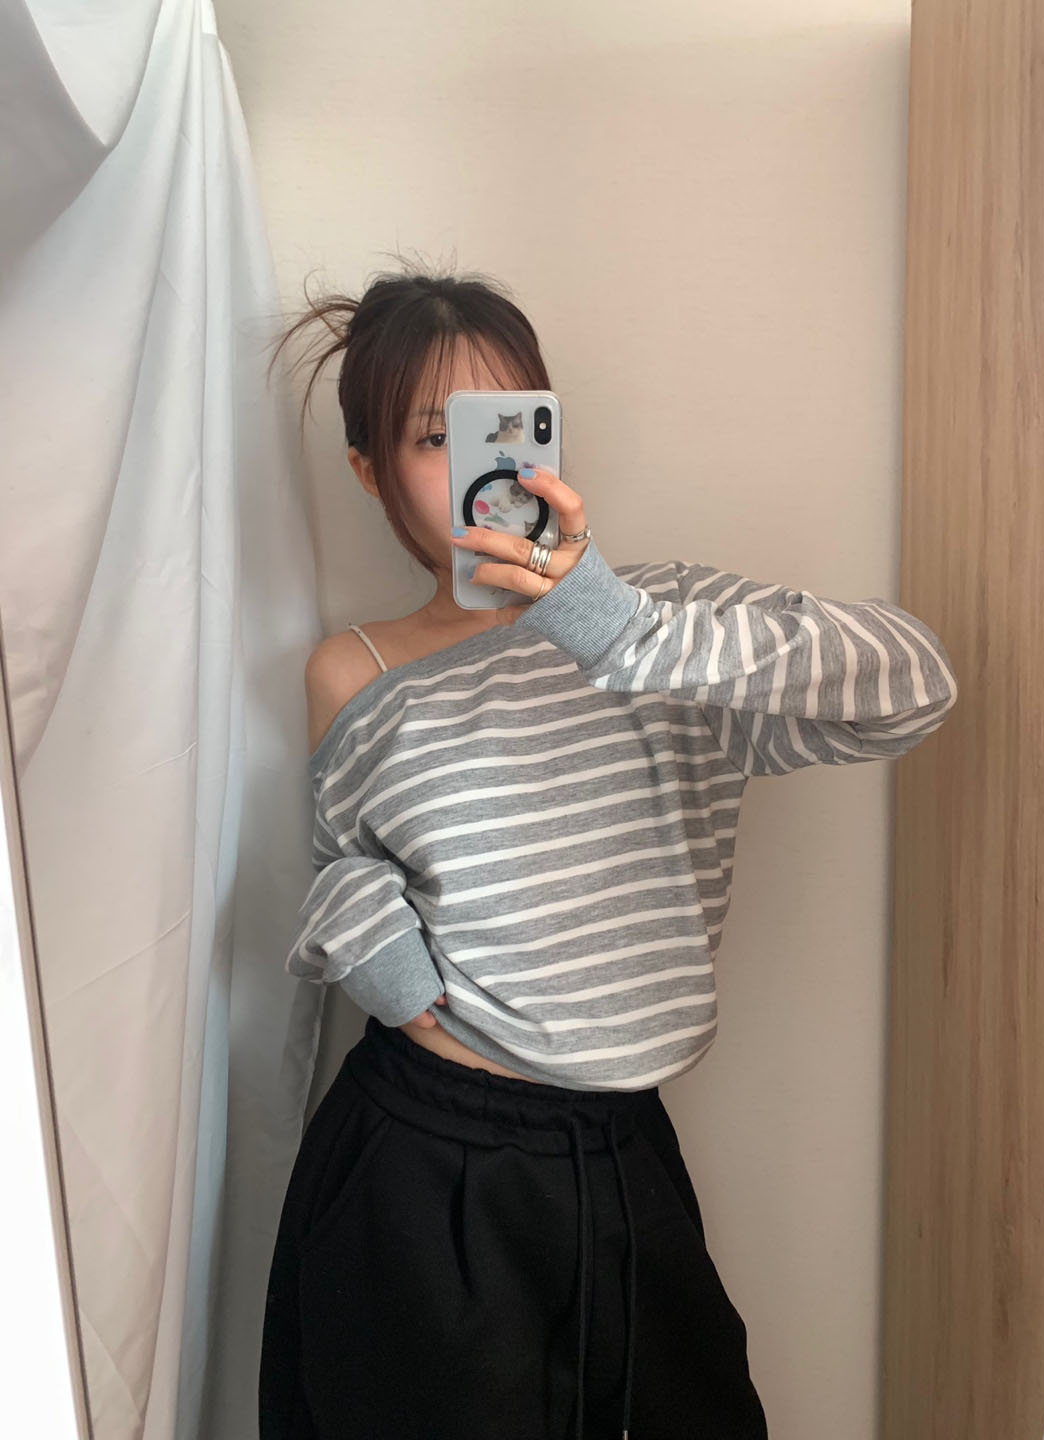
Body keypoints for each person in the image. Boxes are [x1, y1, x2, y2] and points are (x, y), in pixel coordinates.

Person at [258, 260, 959, 1440]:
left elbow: (914, 687)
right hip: (420, 1157)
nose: (481, 468)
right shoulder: (353, 667)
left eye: (506, 424)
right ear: (368, 470)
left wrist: (615, 626)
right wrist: (378, 950)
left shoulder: (663, 624)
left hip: (620, 1144)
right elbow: (344, 860)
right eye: (432, 437)